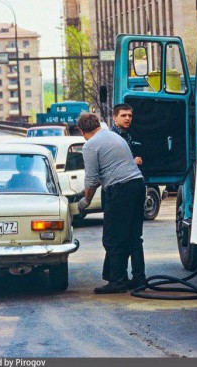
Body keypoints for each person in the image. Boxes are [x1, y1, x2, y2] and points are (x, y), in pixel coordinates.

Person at [76, 113, 146, 294]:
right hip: (138, 185)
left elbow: (91, 179)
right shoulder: (114, 136)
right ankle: (139, 279)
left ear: (81, 130)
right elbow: (111, 169)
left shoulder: (90, 145)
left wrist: (84, 202)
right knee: (133, 236)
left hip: (120, 190)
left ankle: (117, 281)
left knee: (112, 238)